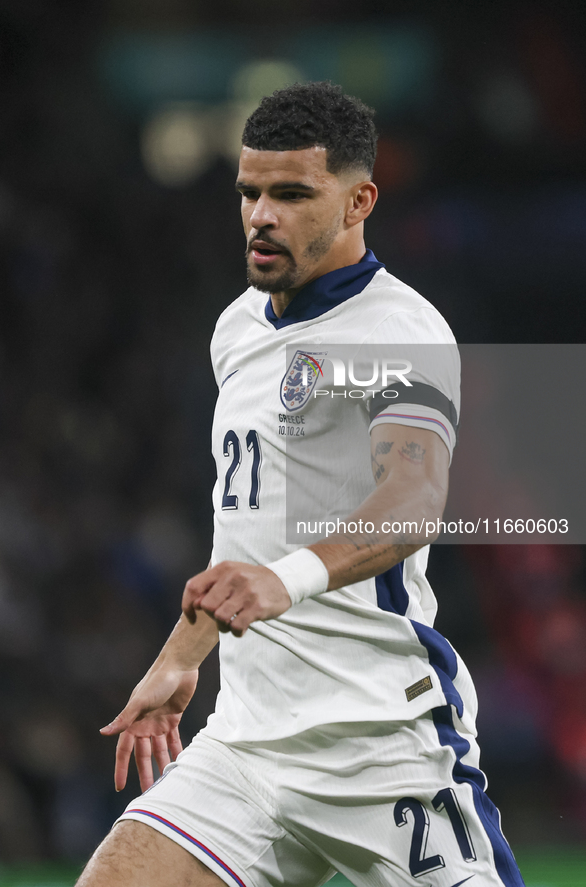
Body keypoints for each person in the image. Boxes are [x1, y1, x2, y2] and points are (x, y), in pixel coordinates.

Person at [77, 82, 525, 887]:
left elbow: (413, 501)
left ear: (359, 200)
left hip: (380, 744)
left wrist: (285, 582)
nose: (260, 216)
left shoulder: (399, 330)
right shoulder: (237, 328)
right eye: (249, 192)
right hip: (245, 745)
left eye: (291, 194)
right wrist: (185, 653)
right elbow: (245, 528)